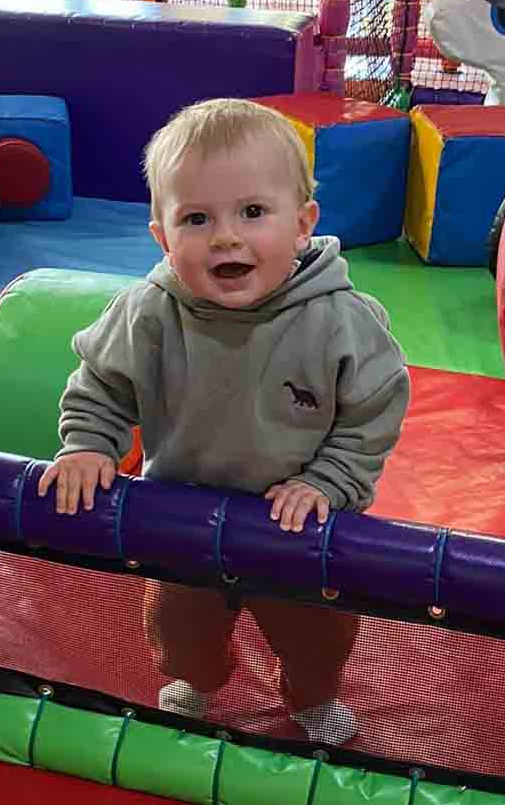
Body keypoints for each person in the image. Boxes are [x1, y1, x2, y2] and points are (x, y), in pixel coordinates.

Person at [37, 98, 411, 746]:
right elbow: (101, 379)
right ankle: (200, 678)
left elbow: (375, 409)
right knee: (180, 633)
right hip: (182, 521)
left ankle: (310, 693)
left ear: (302, 224)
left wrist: (327, 481)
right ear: (161, 235)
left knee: (317, 635)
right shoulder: (150, 312)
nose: (226, 237)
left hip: (298, 528)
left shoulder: (340, 320)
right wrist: (89, 443)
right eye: (197, 218)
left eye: (253, 213)